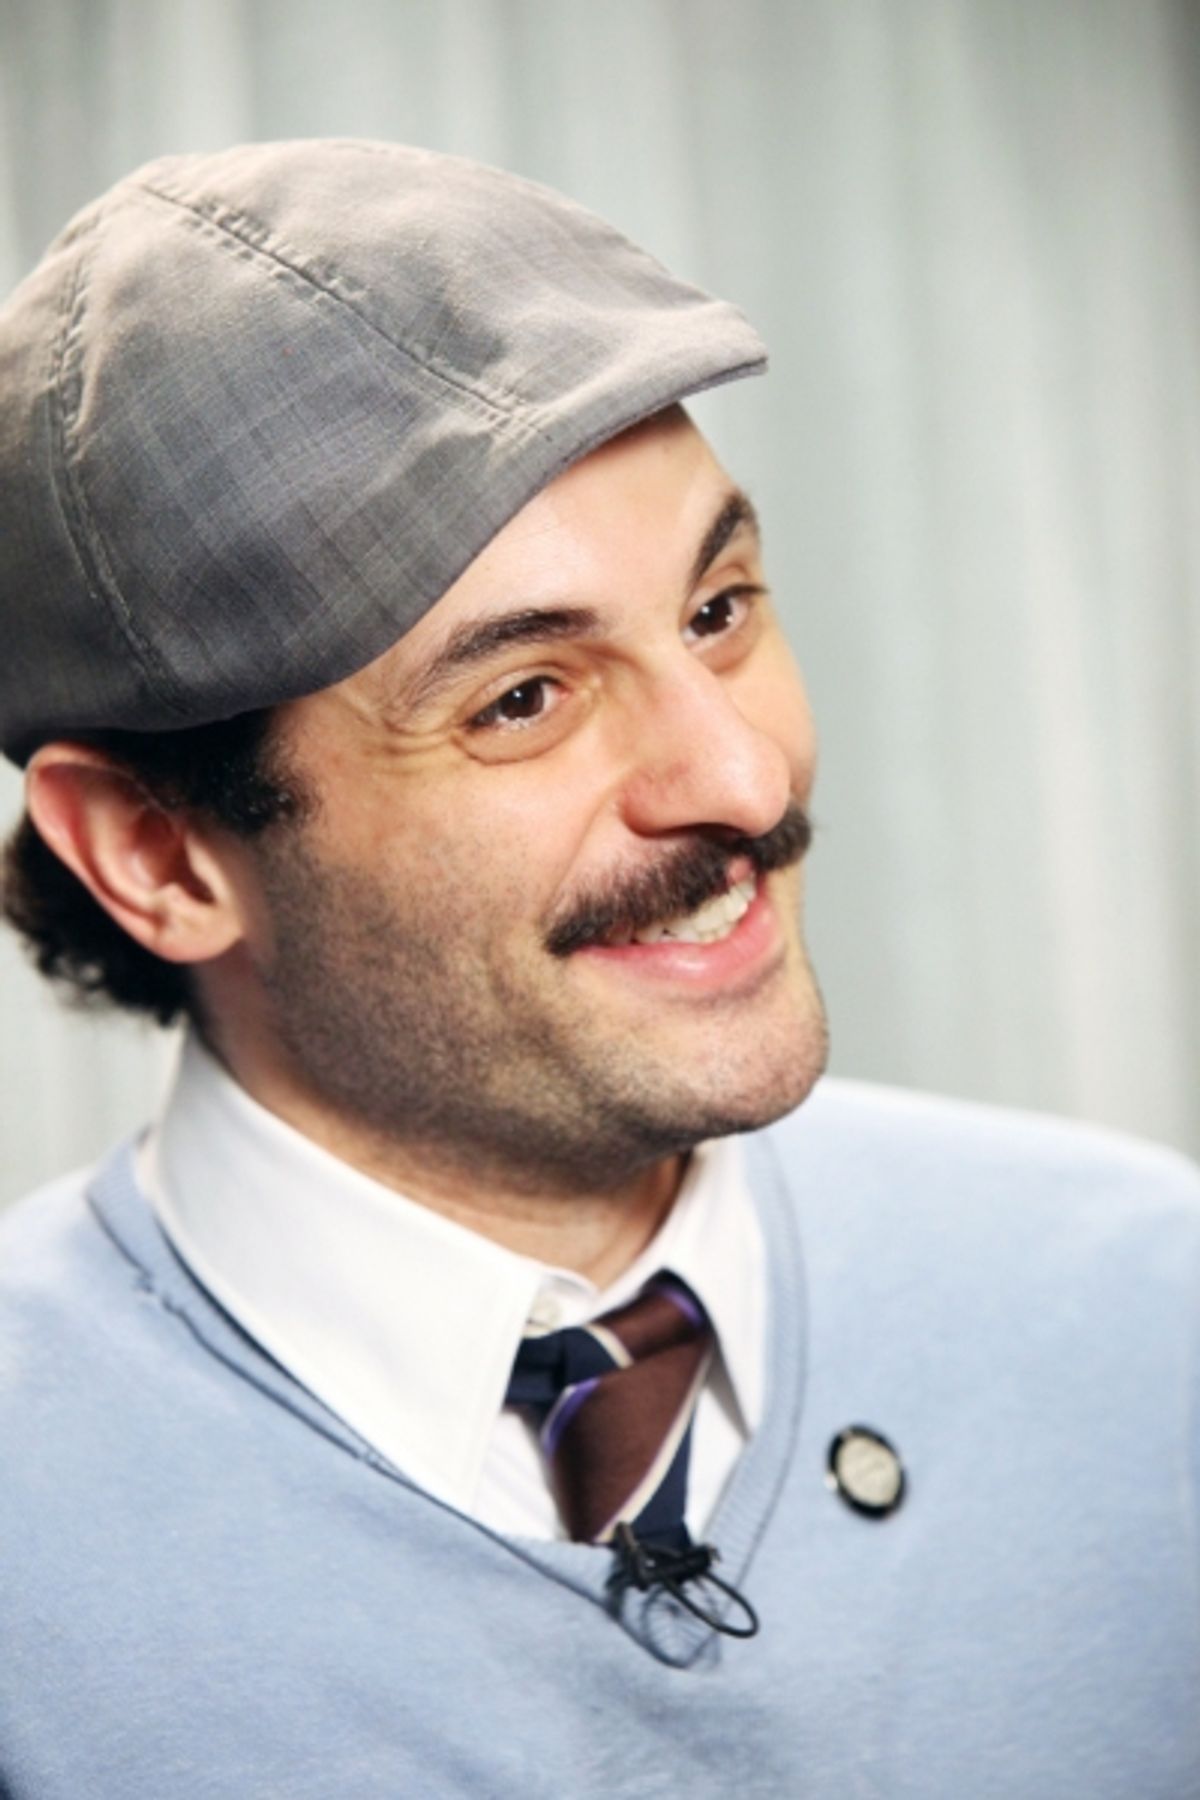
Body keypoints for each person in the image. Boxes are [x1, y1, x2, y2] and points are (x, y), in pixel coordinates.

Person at [0, 140, 1197, 1800]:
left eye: (717, 609)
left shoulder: (1153, 1313)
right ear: (158, 854)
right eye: (524, 699)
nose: (744, 780)